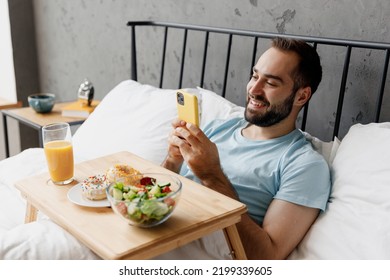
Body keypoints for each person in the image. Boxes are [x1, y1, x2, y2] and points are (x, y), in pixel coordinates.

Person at [161, 37, 331, 260]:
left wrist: (212, 176)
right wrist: (172, 162)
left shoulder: (304, 165)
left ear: (301, 96)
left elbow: (266, 257)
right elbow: (160, 197)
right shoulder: (216, 128)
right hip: (155, 233)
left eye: (270, 83)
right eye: (254, 76)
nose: (254, 89)